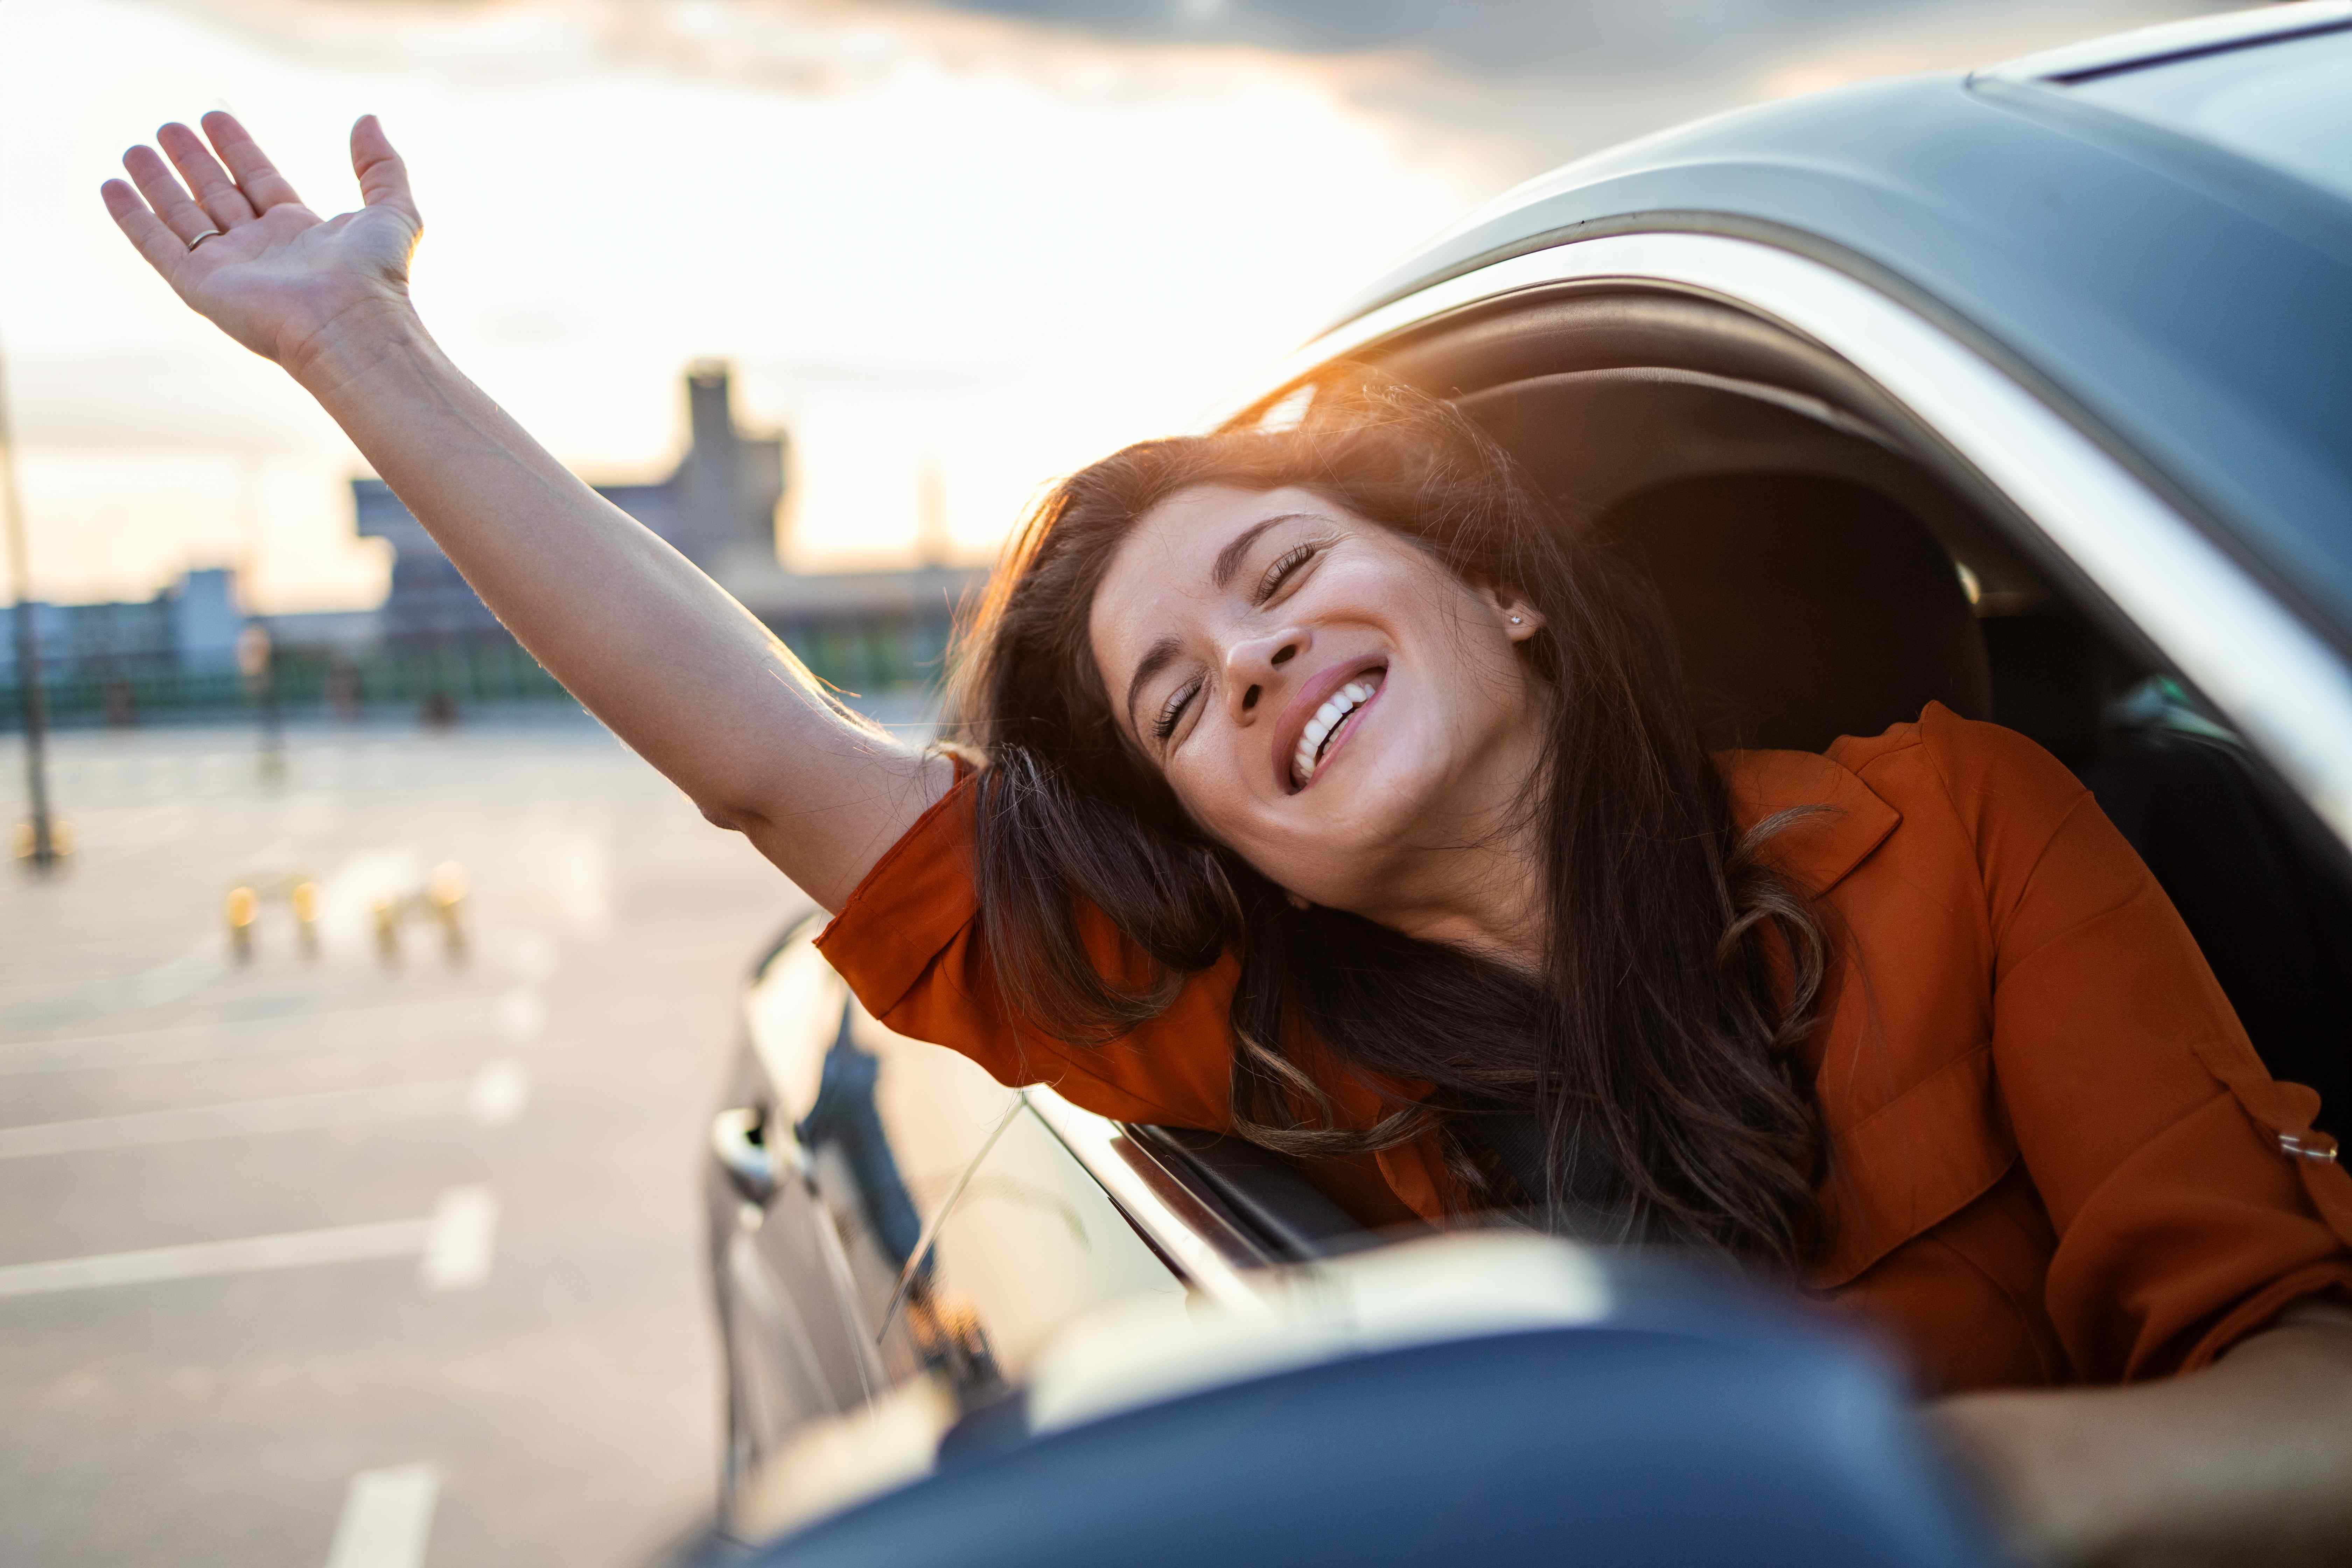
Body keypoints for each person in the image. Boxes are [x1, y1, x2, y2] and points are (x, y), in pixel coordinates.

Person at [103, 112, 2352, 1566]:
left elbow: (2305, 1395)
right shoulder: (1237, 1028)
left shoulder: (1963, 831)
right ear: (1214, 838)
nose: (1250, 670)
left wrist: (1866, 1511)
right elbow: (772, 758)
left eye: (1280, 582)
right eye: (1178, 701)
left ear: (1501, 590)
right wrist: (354, 348)